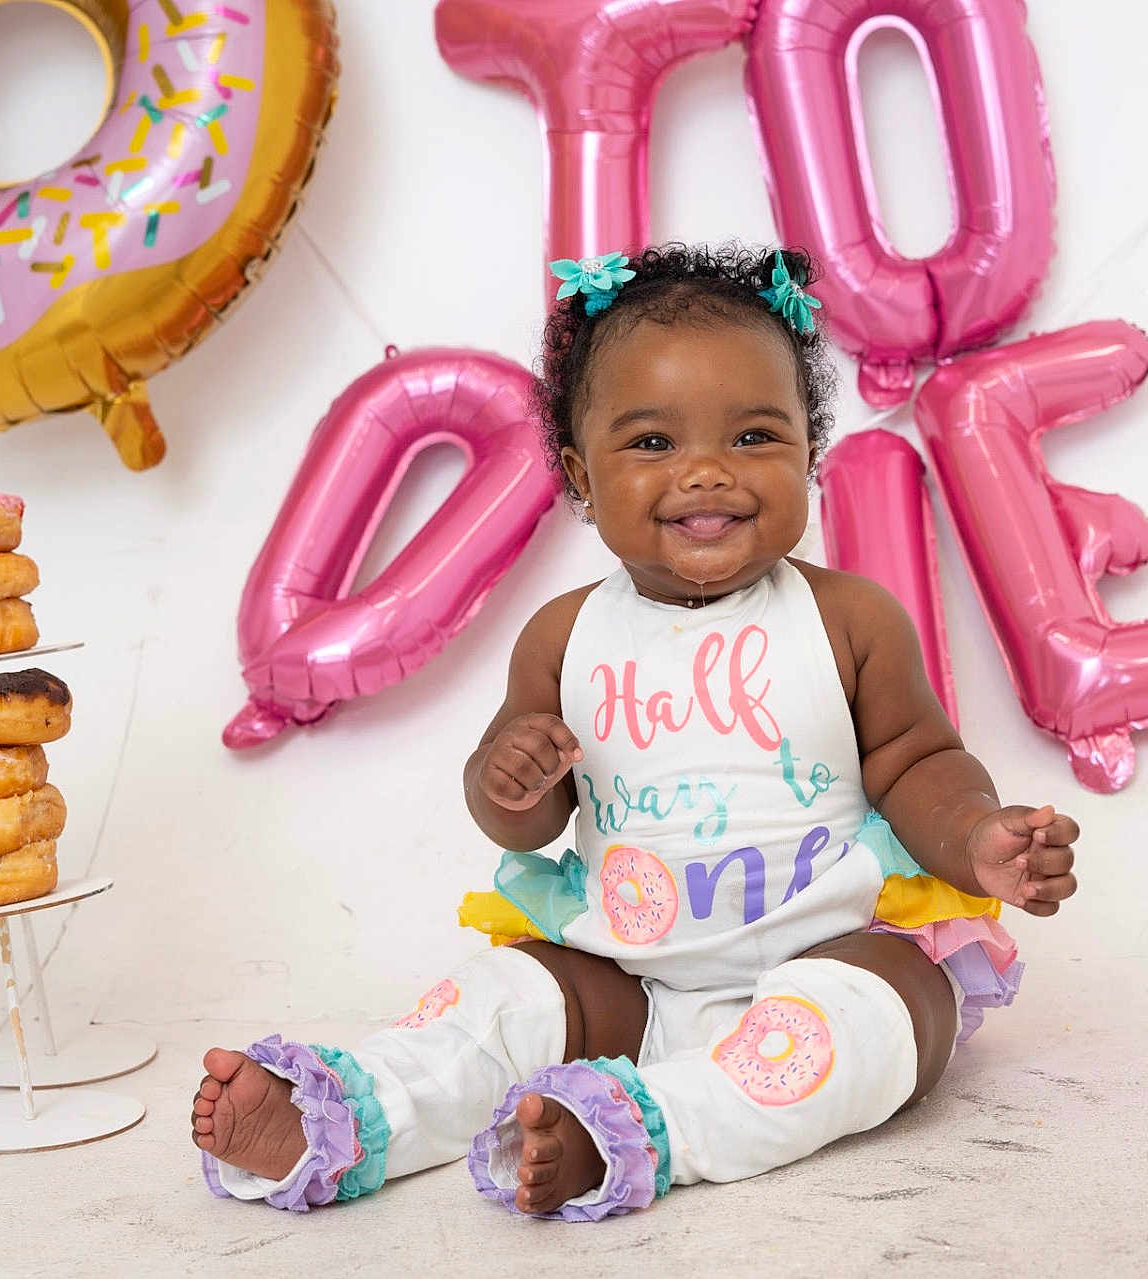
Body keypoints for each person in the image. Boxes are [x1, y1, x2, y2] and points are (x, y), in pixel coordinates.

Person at [192, 243, 1078, 1219]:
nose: (705, 472)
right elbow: (521, 828)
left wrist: (976, 840)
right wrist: (511, 780)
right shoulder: (564, 638)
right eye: (652, 444)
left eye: (753, 437)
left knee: (877, 1022)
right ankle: (353, 1111)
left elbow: (918, 760)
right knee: (501, 997)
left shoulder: (850, 619)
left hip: (833, 948)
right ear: (579, 472)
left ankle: (639, 1128)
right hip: (623, 981)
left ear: (807, 455)